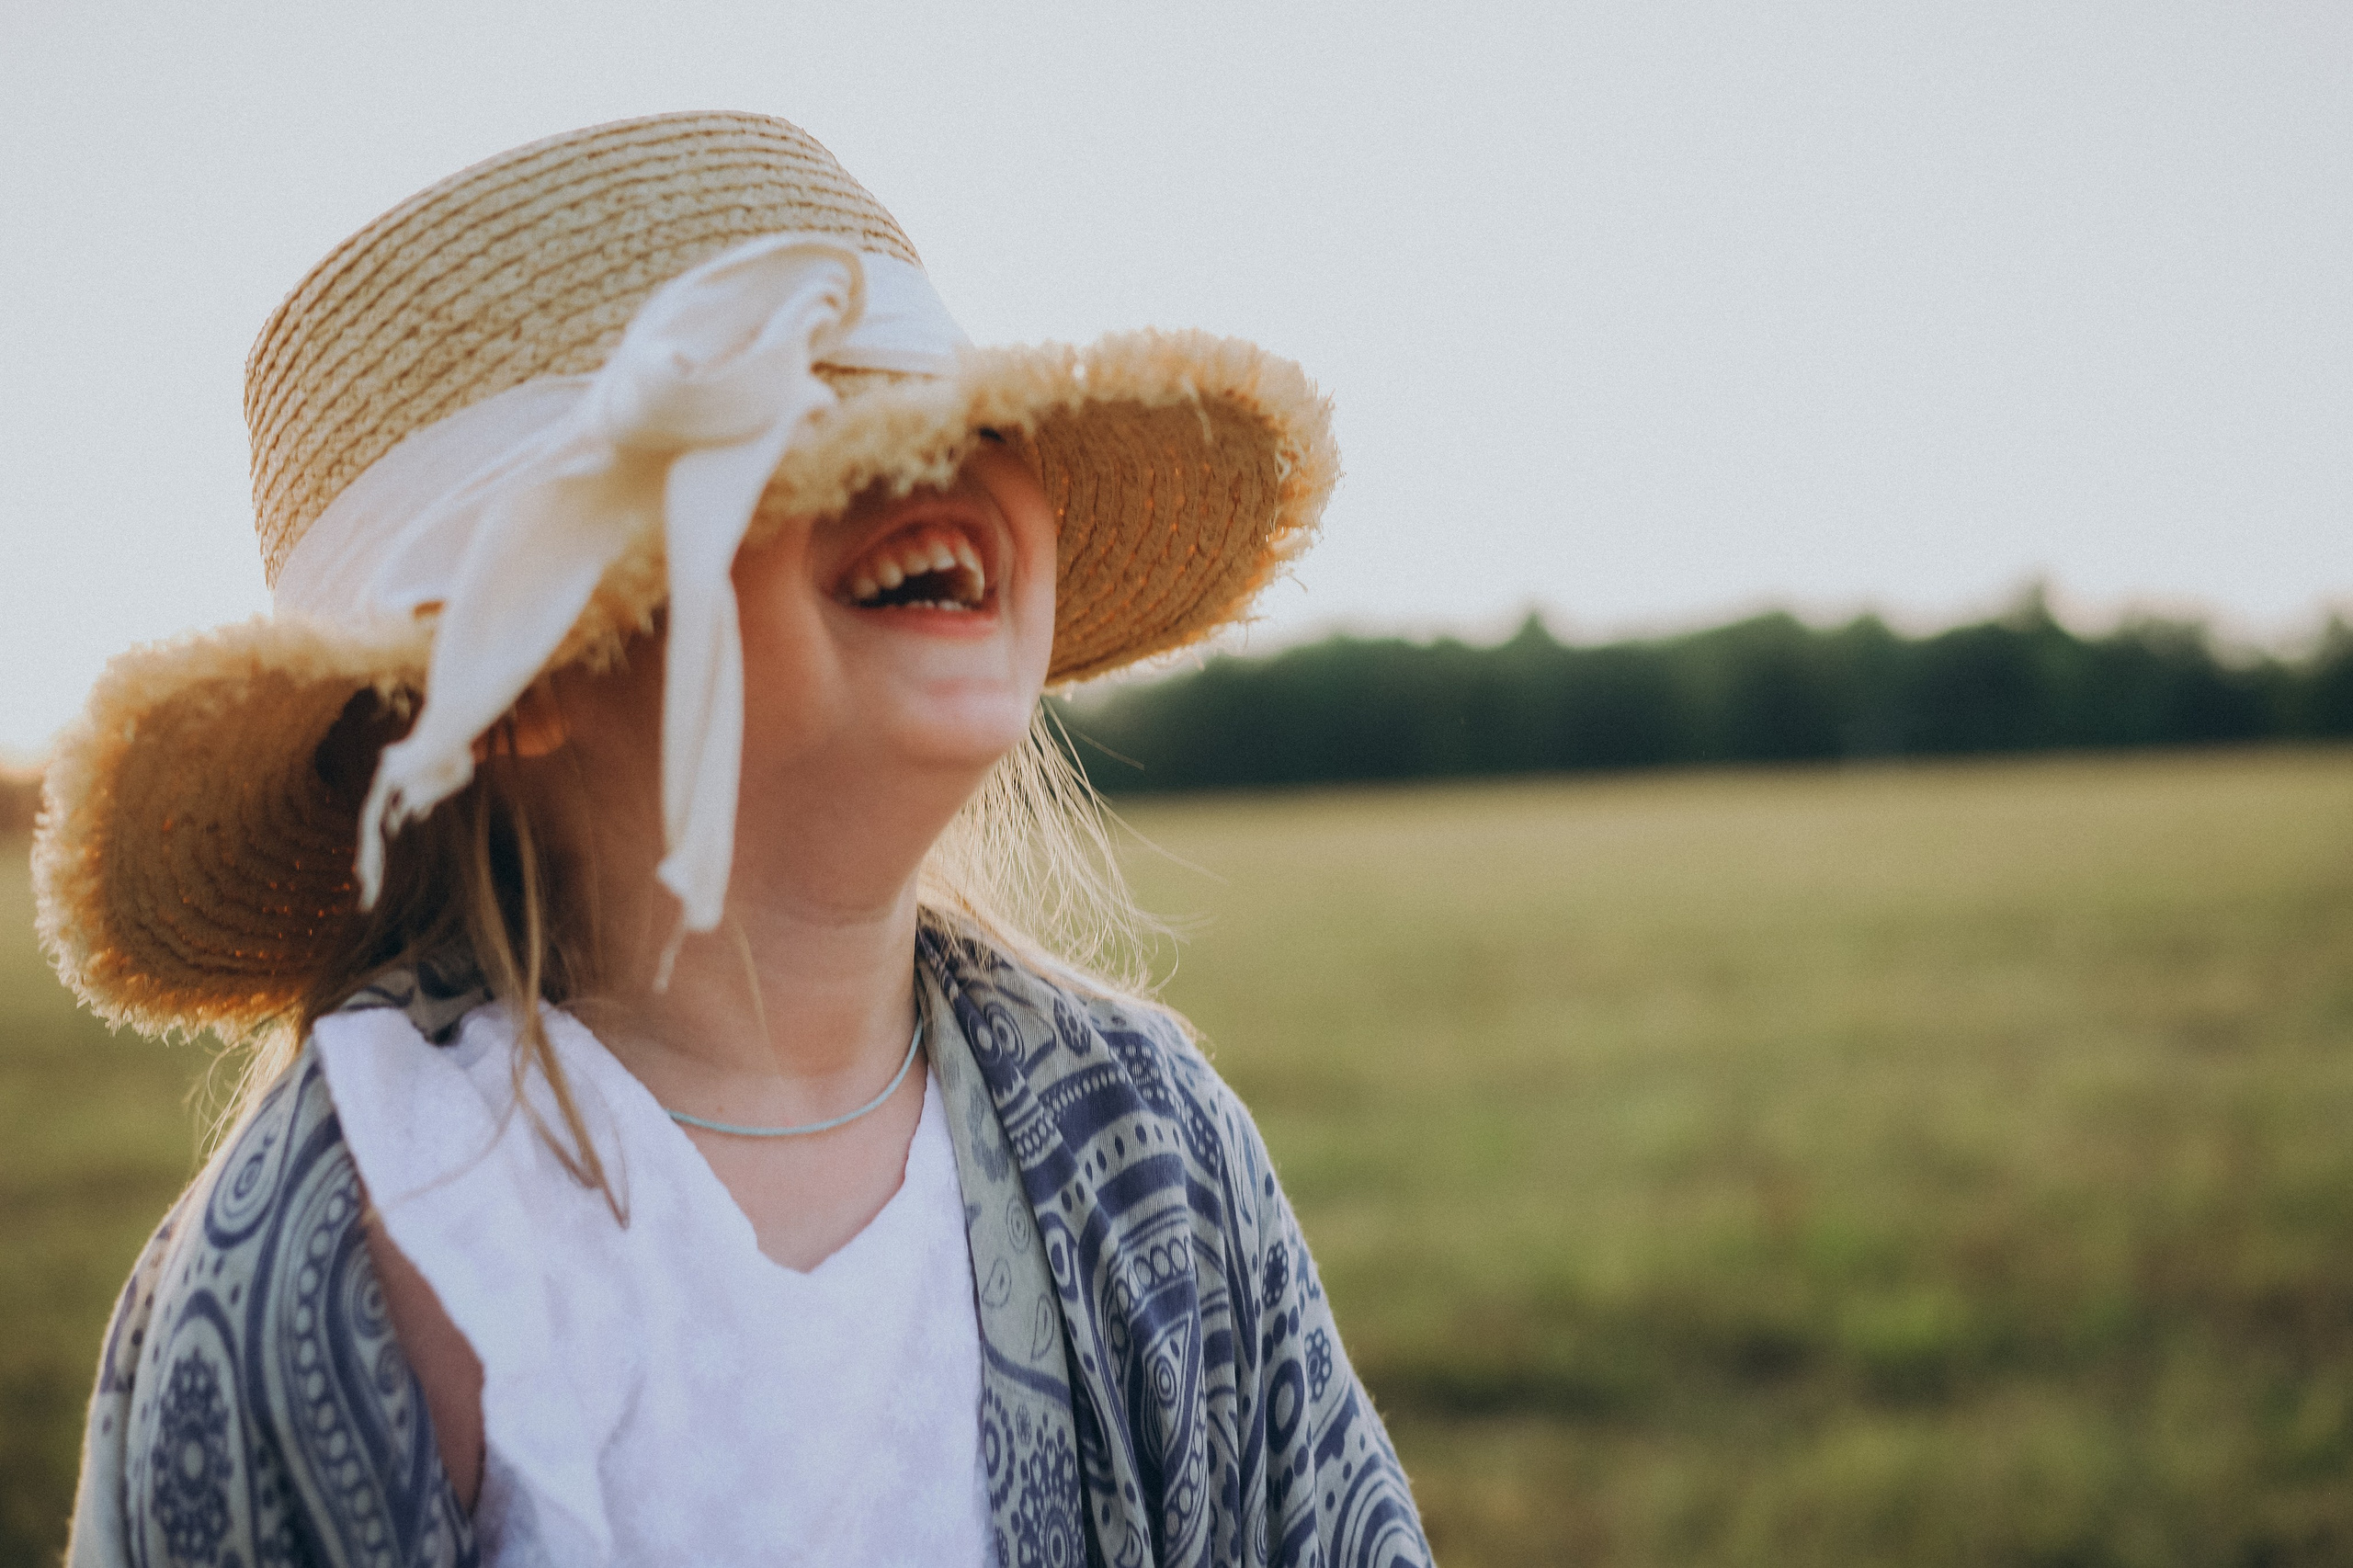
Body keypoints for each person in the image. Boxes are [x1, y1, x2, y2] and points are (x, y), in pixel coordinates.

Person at [39, 111, 1431, 1566]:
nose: (933, 470)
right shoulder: (363, 1239)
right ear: (514, 689)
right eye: (791, 459)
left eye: (972, 424)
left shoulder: (1147, 1143)